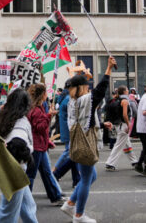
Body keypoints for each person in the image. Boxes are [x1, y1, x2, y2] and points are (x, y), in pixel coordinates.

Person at [60, 56, 116, 223]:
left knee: (91, 177)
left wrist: (101, 123)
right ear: (83, 87)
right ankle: (78, 215)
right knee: (86, 179)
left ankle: (70, 204)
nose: (89, 87)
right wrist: (108, 69)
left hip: (76, 141)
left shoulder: (71, 100)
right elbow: (101, 88)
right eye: (86, 85)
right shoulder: (86, 99)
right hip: (85, 142)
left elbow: (86, 117)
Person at [0, 88, 38, 223]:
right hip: (16, 169)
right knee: (8, 214)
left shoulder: (4, 119)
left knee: (28, 207)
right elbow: (21, 145)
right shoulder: (22, 122)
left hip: (8, 166)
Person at [25, 83, 65, 206]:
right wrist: (49, 116)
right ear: (42, 94)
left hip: (39, 145)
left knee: (46, 172)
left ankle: (55, 196)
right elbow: (39, 128)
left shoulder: (37, 107)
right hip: (36, 147)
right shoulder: (36, 110)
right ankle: (25, 200)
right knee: (31, 175)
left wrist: (47, 141)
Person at [53, 80, 80, 187]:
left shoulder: (64, 97)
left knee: (73, 153)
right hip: (70, 129)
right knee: (69, 152)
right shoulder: (69, 99)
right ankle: (55, 172)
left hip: (66, 128)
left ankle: (76, 178)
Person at [104, 86, 138, 171]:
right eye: (127, 89)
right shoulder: (125, 101)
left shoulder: (116, 100)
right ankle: (110, 163)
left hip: (118, 125)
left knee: (127, 144)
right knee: (118, 145)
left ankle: (134, 161)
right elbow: (125, 115)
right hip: (123, 125)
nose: (128, 90)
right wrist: (128, 124)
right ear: (124, 91)